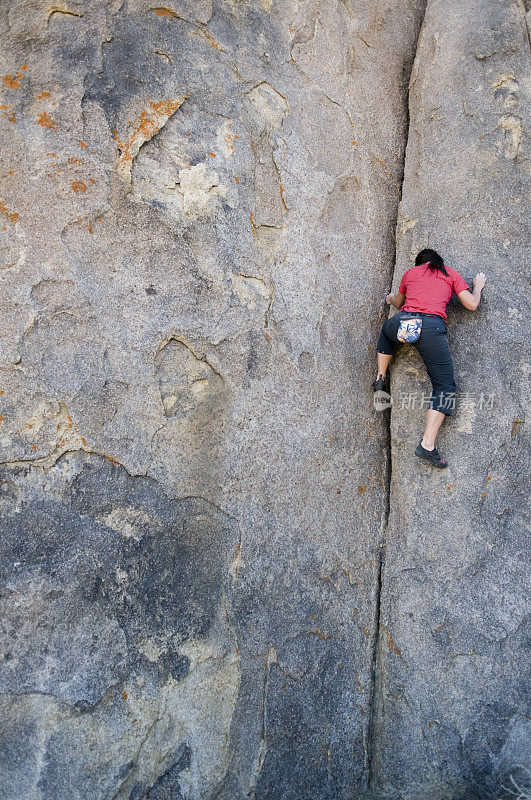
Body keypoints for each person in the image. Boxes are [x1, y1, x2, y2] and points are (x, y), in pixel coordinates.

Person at [373, 248, 486, 468]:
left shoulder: (410, 273)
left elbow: (398, 302)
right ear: (437, 262)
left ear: (420, 263)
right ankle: (427, 445)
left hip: (403, 323)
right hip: (429, 328)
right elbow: (472, 304)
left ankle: (380, 377)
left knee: (387, 333)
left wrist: (389, 298)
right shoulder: (450, 273)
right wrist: (477, 287)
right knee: (445, 388)